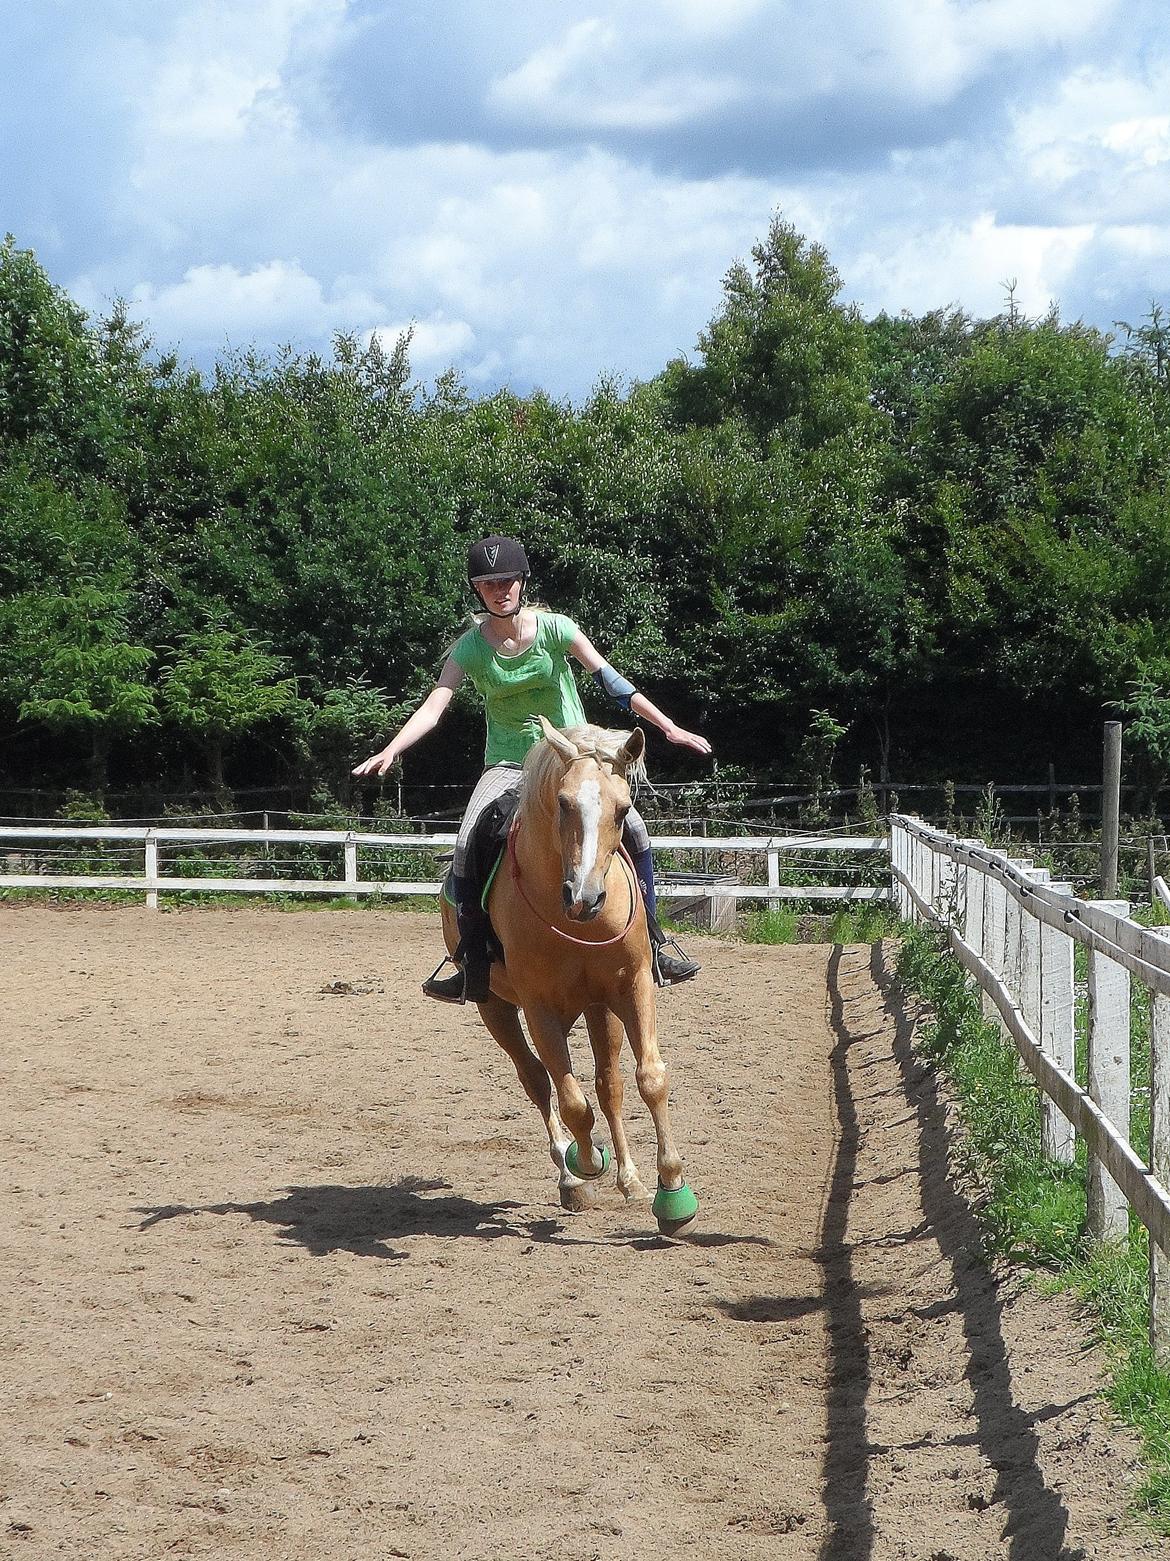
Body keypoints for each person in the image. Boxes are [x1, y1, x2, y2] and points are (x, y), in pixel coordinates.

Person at [353, 535, 713, 1004]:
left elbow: (612, 680)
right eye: (488, 583)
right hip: (507, 762)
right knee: (466, 844)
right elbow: (433, 707)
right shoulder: (469, 649)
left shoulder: (556, 629)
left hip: (573, 754)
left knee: (637, 833)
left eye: (506, 580)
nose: (499, 590)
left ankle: (656, 942)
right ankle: (472, 956)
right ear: (477, 590)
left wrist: (668, 727)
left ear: (521, 582)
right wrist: (392, 748)